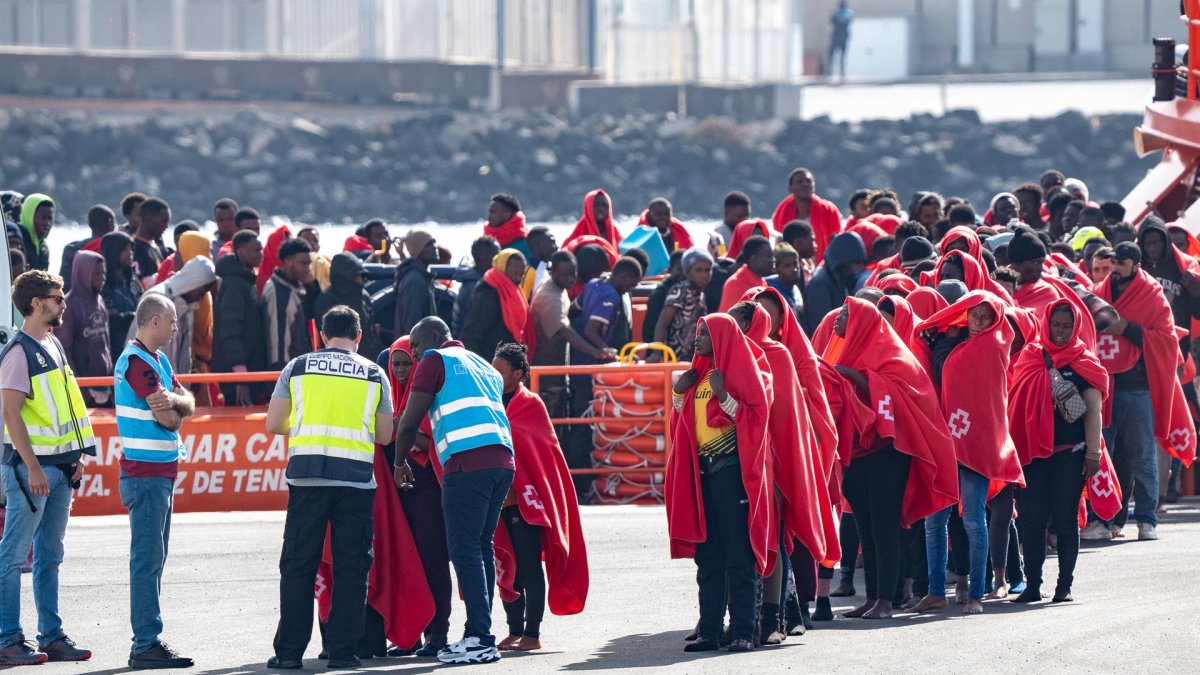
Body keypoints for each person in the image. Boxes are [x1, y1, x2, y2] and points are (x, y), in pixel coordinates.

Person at [264, 306, 394, 670]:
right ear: (359, 336)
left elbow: (273, 424)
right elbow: (385, 435)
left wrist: (305, 423)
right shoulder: (374, 373)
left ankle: (289, 654)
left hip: (307, 478)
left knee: (298, 566)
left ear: (323, 336)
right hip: (356, 480)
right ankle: (342, 653)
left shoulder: (298, 367)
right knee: (352, 569)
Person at [823, 298, 958, 620]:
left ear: (861, 322)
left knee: (884, 527)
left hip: (887, 454)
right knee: (866, 530)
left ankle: (887, 599)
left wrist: (853, 376)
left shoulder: (894, 354)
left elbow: (904, 395)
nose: (837, 319)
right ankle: (872, 598)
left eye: (845, 314)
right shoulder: (842, 352)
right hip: (856, 454)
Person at [391, 317, 514, 665]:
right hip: (502, 461)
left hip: (466, 463)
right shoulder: (482, 364)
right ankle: (481, 633)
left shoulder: (435, 360)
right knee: (481, 546)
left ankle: (480, 637)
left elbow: (408, 423)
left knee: (465, 548)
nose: (414, 354)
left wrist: (399, 463)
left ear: (434, 337)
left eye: (416, 345)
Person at [0, 270, 96, 665]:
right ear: (36, 303)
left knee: (49, 556)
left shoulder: (52, 343)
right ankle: (8, 639)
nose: (63, 303)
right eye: (57, 298)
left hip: (59, 469)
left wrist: (76, 457)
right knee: (13, 556)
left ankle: (50, 637)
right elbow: (10, 414)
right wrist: (33, 468)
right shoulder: (18, 352)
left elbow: (65, 407)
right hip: (33, 473)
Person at [909, 291, 1023, 616]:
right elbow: (943, 372)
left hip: (978, 445)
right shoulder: (959, 344)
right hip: (948, 442)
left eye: (986, 317)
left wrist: (947, 341)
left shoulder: (995, 347)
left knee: (973, 520)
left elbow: (956, 374)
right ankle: (935, 592)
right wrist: (946, 340)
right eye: (974, 316)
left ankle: (976, 593)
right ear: (965, 315)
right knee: (934, 521)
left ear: (995, 320)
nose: (979, 322)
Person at [666, 315, 772, 653]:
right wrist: (678, 393)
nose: (697, 338)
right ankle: (709, 632)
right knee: (708, 558)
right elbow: (683, 423)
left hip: (732, 474)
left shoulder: (743, 372)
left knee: (739, 556)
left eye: (704, 333)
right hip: (702, 475)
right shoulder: (697, 376)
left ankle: (744, 632)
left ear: (723, 338)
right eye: (697, 332)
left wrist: (724, 394)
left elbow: (755, 417)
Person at [728, 300, 832, 644]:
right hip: (734, 464)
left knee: (772, 541)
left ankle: (773, 620)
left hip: (773, 467)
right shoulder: (727, 357)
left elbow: (785, 417)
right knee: (737, 543)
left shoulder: (779, 357)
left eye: (736, 323)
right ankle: (740, 619)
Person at [1087, 242, 1196, 541]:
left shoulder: (1152, 296)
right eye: (1113, 262)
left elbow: (1167, 340)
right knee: (1101, 457)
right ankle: (1101, 518)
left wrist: (1127, 329)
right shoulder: (1099, 294)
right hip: (1104, 388)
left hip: (1137, 390)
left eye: (1121, 263)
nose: (1115, 268)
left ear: (1135, 266)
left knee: (1142, 457)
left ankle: (1147, 519)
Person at [114, 294, 197, 669]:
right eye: (172, 320)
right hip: (145, 475)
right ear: (154, 322)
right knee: (147, 561)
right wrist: (176, 410)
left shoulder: (158, 360)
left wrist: (176, 406)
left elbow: (187, 403)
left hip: (159, 473)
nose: (176, 327)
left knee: (154, 559)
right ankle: (145, 643)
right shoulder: (137, 362)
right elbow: (169, 419)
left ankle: (148, 640)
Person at [1008, 301, 1107, 603]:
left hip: (1070, 454)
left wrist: (1093, 453)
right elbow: (1014, 403)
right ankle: (1033, 586)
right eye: (1056, 325)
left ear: (1075, 327)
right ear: (1046, 324)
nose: (1060, 331)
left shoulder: (1084, 361)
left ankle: (1064, 586)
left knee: (1065, 520)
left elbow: (1093, 410)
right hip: (1033, 456)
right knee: (1032, 521)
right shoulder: (1030, 356)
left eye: (1066, 326)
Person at [491, 343, 588, 652]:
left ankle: (532, 633)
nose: (492, 375)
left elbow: (543, 454)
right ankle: (514, 629)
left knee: (529, 566)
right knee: (506, 565)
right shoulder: (487, 401)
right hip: (497, 499)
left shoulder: (530, 404)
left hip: (526, 500)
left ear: (517, 373)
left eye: (499, 371)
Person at [564, 257, 643, 491]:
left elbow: (573, 311)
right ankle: (578, 485)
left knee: (578, 426)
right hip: (591, 371)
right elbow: (591, 330)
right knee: (585, 429)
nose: (630, 289)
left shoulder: (592, 284)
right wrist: (610, 353)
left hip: (577, 366)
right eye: (632, 284)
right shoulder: (611, 296)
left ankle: (575, 482)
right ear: (624, 277)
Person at [138, 257, 218, 376]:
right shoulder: (157, 298)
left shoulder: (187, 306)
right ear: (193, 283)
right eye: (201, 292)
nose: (201, 298)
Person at [213, 230, 266, 406]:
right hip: (238, 376)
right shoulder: (234, 285)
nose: (261, 254)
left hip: (247, 371)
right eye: (256, 250)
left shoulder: (246, 281)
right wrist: (240, 376)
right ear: (241, 251)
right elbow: (230, 331)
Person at [57, 251, 112, 407]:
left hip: (104, 384)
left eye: (103, 273)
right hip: (84, 388)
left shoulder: (99, 300)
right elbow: (63, 351)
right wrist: (79, 388)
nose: (102, 278)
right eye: (97, 274)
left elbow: (106, 342)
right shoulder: (69, 306)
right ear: (83, 274)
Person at [461, 250, 532, 359]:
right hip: (488, 359)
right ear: (502, 268)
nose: (519, 278)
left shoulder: (514, 291)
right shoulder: (488, 293)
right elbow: (472, 333)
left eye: (522, 274)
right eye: (515, 273)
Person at [261, 238, 315, 371]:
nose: (307, 269)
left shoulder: (298, 287)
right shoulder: (278, 293)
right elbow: (278, 344)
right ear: (288, 261)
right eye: (302, 263)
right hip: (286, 372)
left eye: (309, 263)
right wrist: (280, 376)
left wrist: (313, 287)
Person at [314, 253, 380, 360]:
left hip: (367, 359)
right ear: (343, 277)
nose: (360, 280)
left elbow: (371, 329)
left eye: (361, 275)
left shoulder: (363, 296)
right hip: (336, 360)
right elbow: (325, 335)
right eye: (355, 276)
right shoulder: (326, 300)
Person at [771, 169, 843, 264]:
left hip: (825, 265)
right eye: (799, 182)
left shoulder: (829, 211)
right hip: (792, 266)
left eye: (808, 181)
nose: (805, 184)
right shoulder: (782, 212)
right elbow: (779, 243)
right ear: (790, 188)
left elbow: (837, 242)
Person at [802, 231, 867, 335]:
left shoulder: (837, 279)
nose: (854, 269)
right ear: (841, 263)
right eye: (852, 264)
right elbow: (821, 327)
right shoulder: (820, 284)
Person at [653, 248, 712, 361]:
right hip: (674, 358)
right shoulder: (680, 290)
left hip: (692, 359)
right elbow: (662, 323)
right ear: (688, 272)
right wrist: (657, 353)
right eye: (698, 270)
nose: (704, 275)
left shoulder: (702, 295)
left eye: (707, 270)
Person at [102, 231, 143, 362]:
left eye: (131, 249)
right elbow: (104, 319)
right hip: (111, 351)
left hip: (134, 348)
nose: (130, 253)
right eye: (125, 249)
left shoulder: (133, 281)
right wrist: (130, 317)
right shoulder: (101, 283)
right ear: (113, 251)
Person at [451, 237, 501, 335]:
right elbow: (473, 326)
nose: (500, 257)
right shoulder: (475, 287)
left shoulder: (474, 280)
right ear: (484, 257)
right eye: (497, 254)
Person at [394, 230, 439, 338]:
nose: (434, 247)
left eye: (434, 243)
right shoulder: (415, 281)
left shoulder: (421, 276)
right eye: (428, 244)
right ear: (418, 250)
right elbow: (413, 323)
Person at [60, 205, 115, 291]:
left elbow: (64, 282)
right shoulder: (112, 249)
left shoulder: (71, 249)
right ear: (110, 223)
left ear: (89, 224)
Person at [719, 236, 774, 312]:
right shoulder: (735, 284)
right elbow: (727, 318)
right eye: (769, 256)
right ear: (753, 258)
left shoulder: (762, 281)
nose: (772, 260)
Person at [133, 198, 171, 290]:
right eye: (163, 221)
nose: (166, 226)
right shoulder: (134, 249)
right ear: (148, 218)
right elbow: (137, 284)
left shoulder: (157, 246)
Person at [483, 194, 529, 260]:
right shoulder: (485, 242)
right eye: (489, 212)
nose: (488, 217)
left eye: (493, 212)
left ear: (507, 214)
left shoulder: (527, 244)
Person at [16, 193, 53, 271]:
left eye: (50, 219)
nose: (47, 223)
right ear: (30, 216)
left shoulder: (43, 249)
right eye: (43, 218)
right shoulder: (16, 241)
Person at [767, 243, 804, 316]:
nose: (794, 269)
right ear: (776, 269)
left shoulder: (794, 288)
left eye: (795, 264)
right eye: (787, 266)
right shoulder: (771, 293)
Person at [522, 227, 557, 299]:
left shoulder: (547, 270)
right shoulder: (531, 272)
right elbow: (524, 301)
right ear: (537, 246)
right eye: (551, 242)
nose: (556, 247)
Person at [828, 1, 853, 79]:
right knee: (832, 54)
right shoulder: (837, 13)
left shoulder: (847, 13)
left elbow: (848, 20)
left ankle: (842, 72)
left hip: (842, 36)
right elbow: (832, 20)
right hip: (837, 36)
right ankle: (830, 71)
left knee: (841, 56)